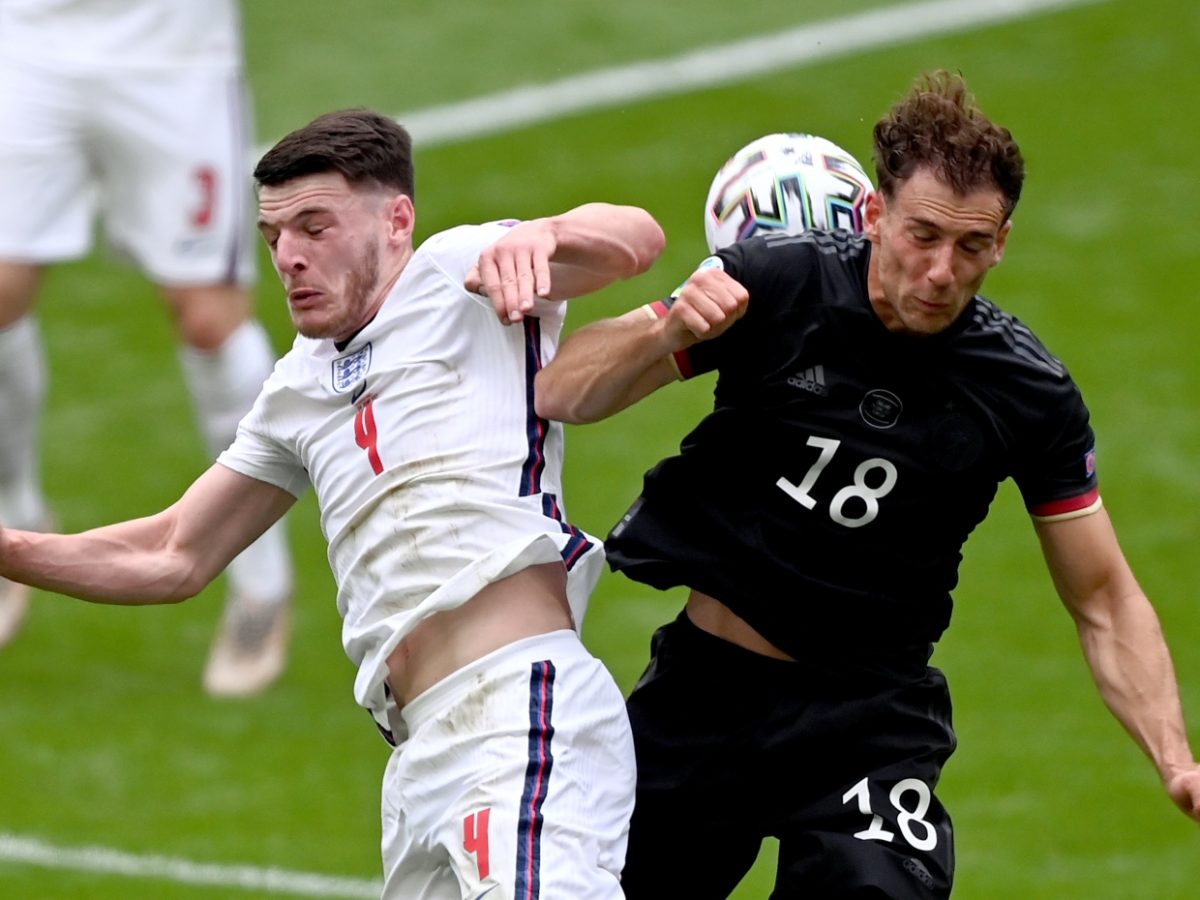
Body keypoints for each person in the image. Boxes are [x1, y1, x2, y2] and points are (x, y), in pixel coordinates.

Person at [534, 70, 1200, 898]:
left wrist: (1176, 759)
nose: (941, 272)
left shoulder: (1027, 393)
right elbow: (561, 392)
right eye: (922, 235)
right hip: (707, 696)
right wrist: (663, 325)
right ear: (876, 215)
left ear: (1003, 243)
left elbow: (1104, 599)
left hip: (867, 721)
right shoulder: (777, 285)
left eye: (972, 247)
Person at [0, 107, 665, 897]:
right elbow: (173, 552)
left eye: (314, 227)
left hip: (517, 712)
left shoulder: (457, 272)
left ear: (397, 221)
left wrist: (547, 233)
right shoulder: (298, 387)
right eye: (272, 236)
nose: (287, 257)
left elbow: (637, 239)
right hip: (419, 758)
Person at [0, 0, 294, 697]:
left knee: (208, 317)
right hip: (28, 39)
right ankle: (15, 516)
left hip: (172, 51)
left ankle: (261, 581)